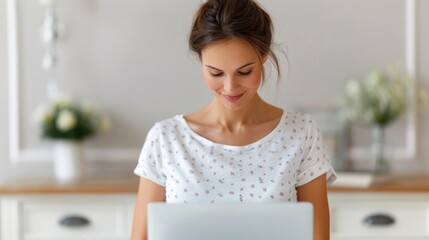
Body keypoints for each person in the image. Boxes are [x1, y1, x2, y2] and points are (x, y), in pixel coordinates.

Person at [131, 0, 337, 239]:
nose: (230, 87)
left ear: (264, 55)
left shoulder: (302, 134)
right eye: (216, 73)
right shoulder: (165, 139)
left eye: (244, 71)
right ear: (201, 62)